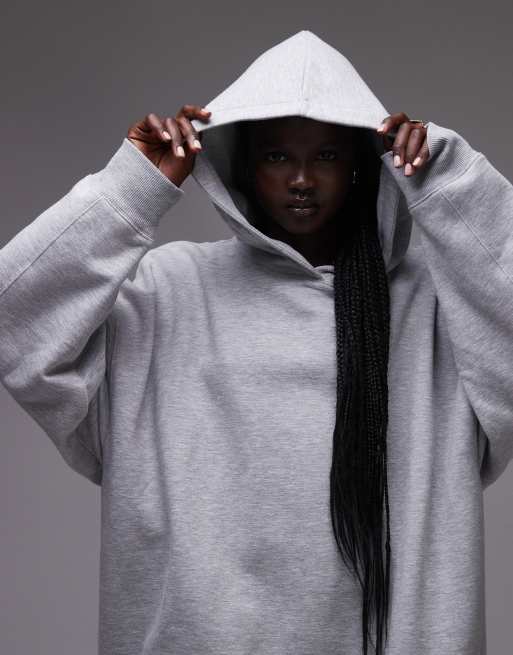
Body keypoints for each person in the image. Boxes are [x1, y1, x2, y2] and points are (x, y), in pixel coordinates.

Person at [0, 29, 511, 655]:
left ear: (359, 167)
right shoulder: (167, 291)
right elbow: (15, 320)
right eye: (276, 156)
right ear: (242, 165)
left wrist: (453, 186)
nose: (301, 179)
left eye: (327, 156)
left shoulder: (433, 307)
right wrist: (130, 190)